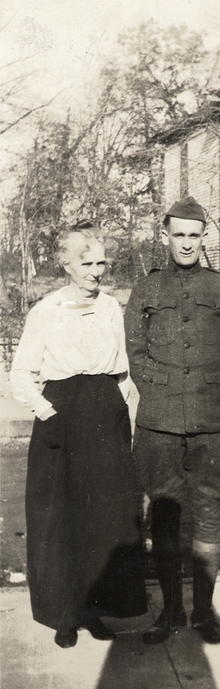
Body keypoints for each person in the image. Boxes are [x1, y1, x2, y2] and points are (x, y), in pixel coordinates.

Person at [10, 222, 147, 648]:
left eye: (101, 262)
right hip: (62, 418)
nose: (95, 271)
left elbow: (124, 371)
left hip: (106, 416)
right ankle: (65, 615)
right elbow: (21, 373)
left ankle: (95, 610)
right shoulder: (46, 310)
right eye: (85, 263)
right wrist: (49, 413)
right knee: (63, 519)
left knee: (104, 519)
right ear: (65, 264)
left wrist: (122, 410)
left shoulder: (110, 308)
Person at [124, 196, 220, 644]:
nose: (187, 243)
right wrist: (165, 391)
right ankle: (171, 612)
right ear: (165, 237)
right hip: (158, 422)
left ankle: (203, 613)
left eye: (194, 235)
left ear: (203, 237)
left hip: (211, 422)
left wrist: (205, 389)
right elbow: (136, 353)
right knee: (164, 517)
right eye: (179, 234)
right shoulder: (146, 289)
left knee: (210, 515)